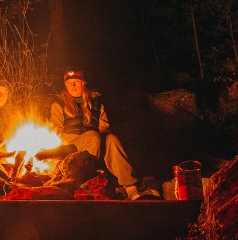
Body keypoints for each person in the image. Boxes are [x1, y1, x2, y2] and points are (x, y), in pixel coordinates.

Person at [41, 69, 160, 200]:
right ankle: (87, 181)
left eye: (76, 82)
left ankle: (131, 187)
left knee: (111, 139)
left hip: (94, 142)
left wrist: (99, 137)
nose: (72, 86)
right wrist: (86, 138)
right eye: (69, 83)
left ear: (83, 83)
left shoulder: (96, 102)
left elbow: (104, 127)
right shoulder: (59, 103)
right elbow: (56, 131)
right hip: (71, 146)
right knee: (92, 136)